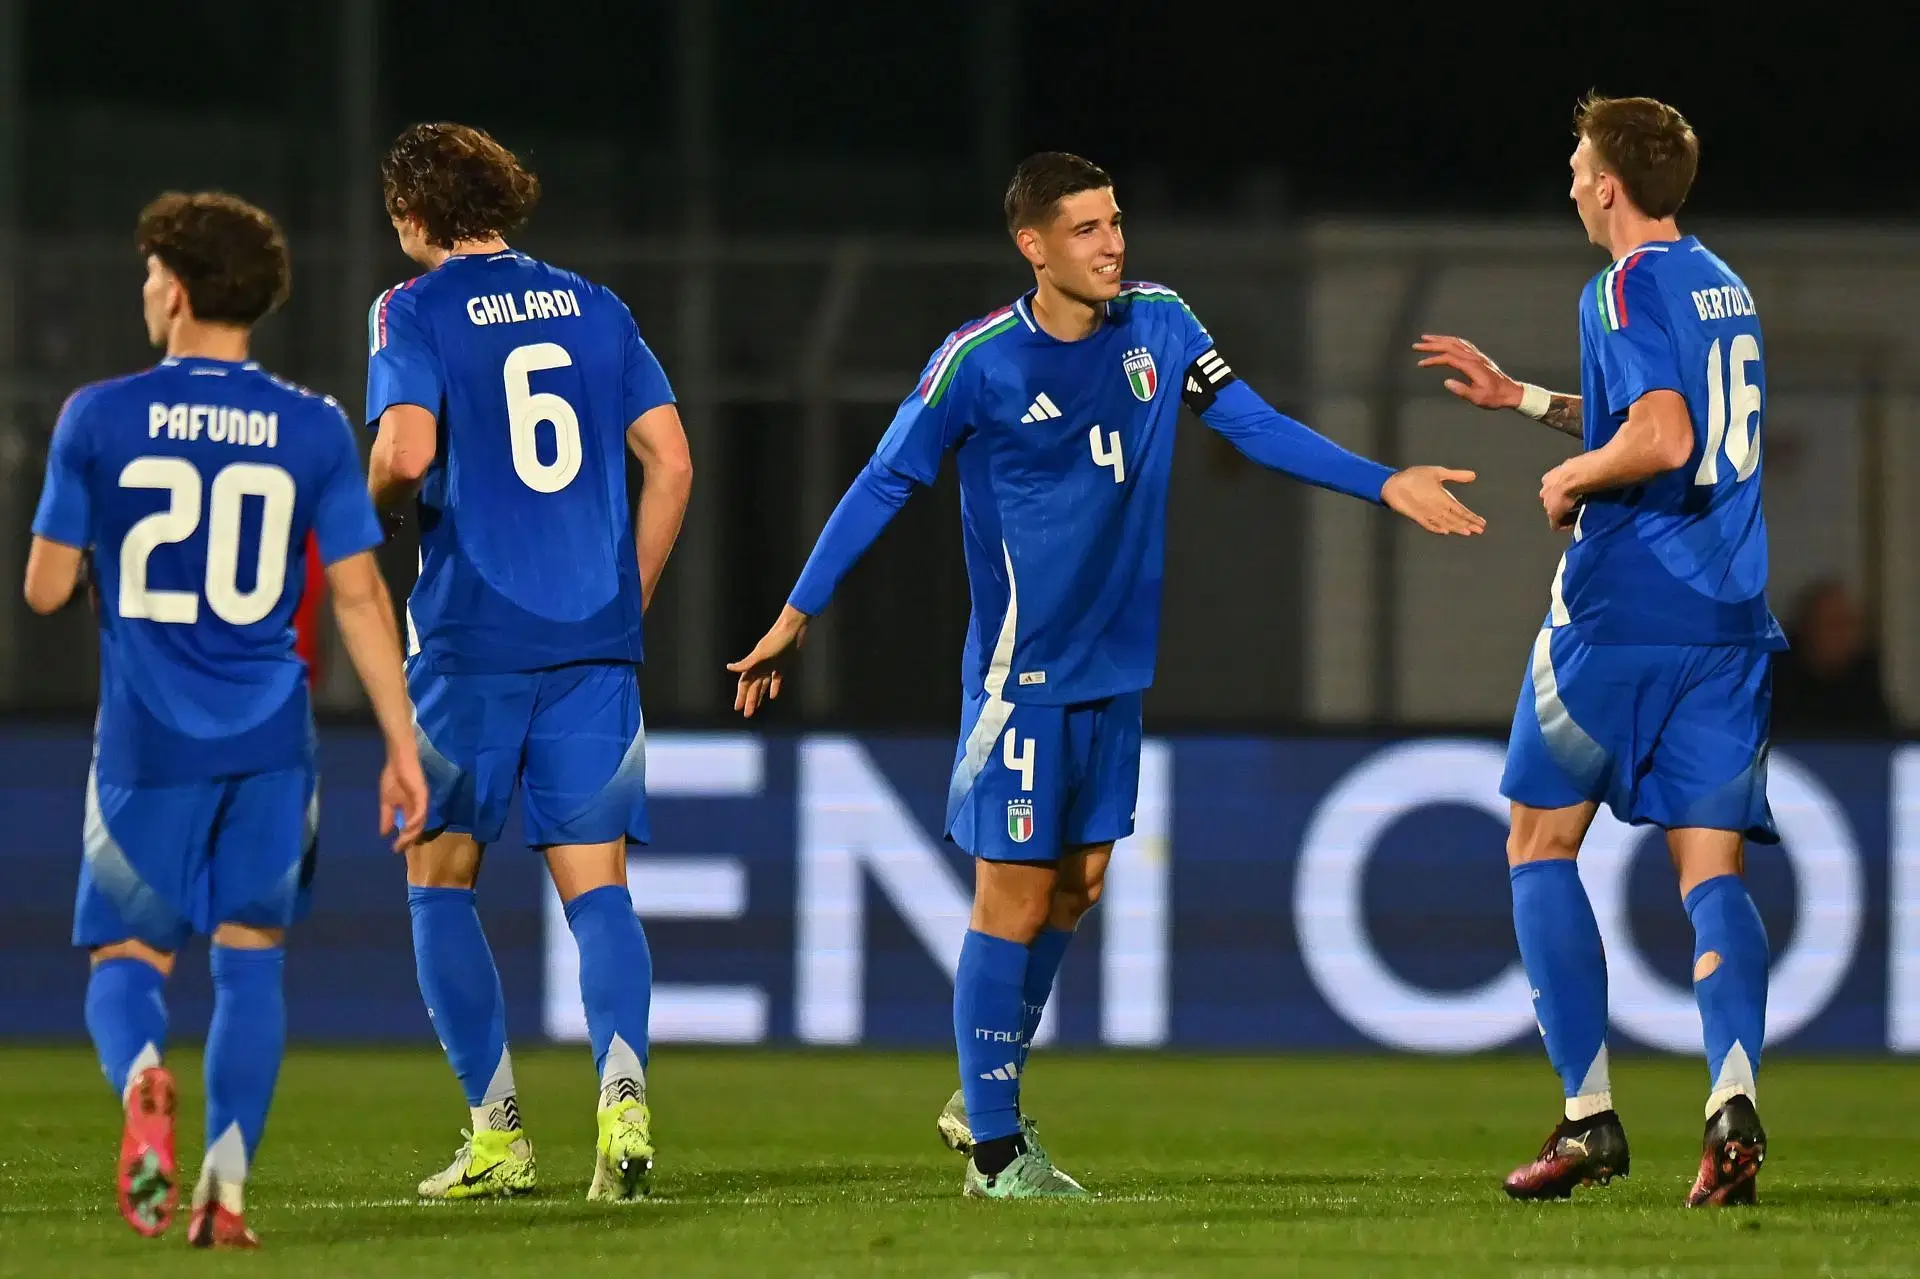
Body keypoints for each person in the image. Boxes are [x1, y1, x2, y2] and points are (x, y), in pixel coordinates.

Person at [730, 151, 1483, 1199]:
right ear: (1032, 247)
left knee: (1078, 889)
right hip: (1024, 675)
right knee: (1015, 892)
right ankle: (994, 1148)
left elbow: (1251, 424)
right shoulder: (979, 361)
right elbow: (884, 478)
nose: (1113, 243)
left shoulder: (1162, 324)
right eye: (1086, 229)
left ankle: (980, 1094)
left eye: (1117, 221)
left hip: (1115, 669)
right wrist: (795, 613)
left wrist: (1382, 480)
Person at [24, 192, 427, 1248]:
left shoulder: (97, 416)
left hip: (146, 745)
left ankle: (147, 1080)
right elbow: (356, 597)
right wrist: (398, 742)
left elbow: (44, 588)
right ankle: (226, 1190)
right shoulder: (312, 424)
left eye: (153, 270)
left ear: (185, 286)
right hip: (271, 743)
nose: (146, 287)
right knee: (252, 963)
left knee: (126, 962)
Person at [1415, 93, 1781, 1206]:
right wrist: (1521, 400)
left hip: (1622, 616)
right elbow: (1665, 420)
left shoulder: (1621, 282)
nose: (1572, 182)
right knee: (1709, 869)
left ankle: (1589, 1120)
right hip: (1728, 620)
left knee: (1537, 841)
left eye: (1578, 165)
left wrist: (1569, 479)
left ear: (1610, 185)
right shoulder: (1726, 283)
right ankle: (1731, 1096)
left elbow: (1658, 438)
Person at [365, 122, 694, 1202]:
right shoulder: (599, 306)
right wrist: (624, 597)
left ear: (413, 214)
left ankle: (499, 1133)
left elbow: (406, 452)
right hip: (594, 642)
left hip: (473, 642)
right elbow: (673, 463)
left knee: (438, 881)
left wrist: (367, 515)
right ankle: (625, 1096)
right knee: (599, 892)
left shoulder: (411, 310)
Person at [1771, 578, 1892, 734]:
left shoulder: (1864, 673)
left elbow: (1881, 738)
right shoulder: (1777, 678)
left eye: (1849, 624)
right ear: (1807, 628)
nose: (1843, 635)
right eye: (1832, 624)